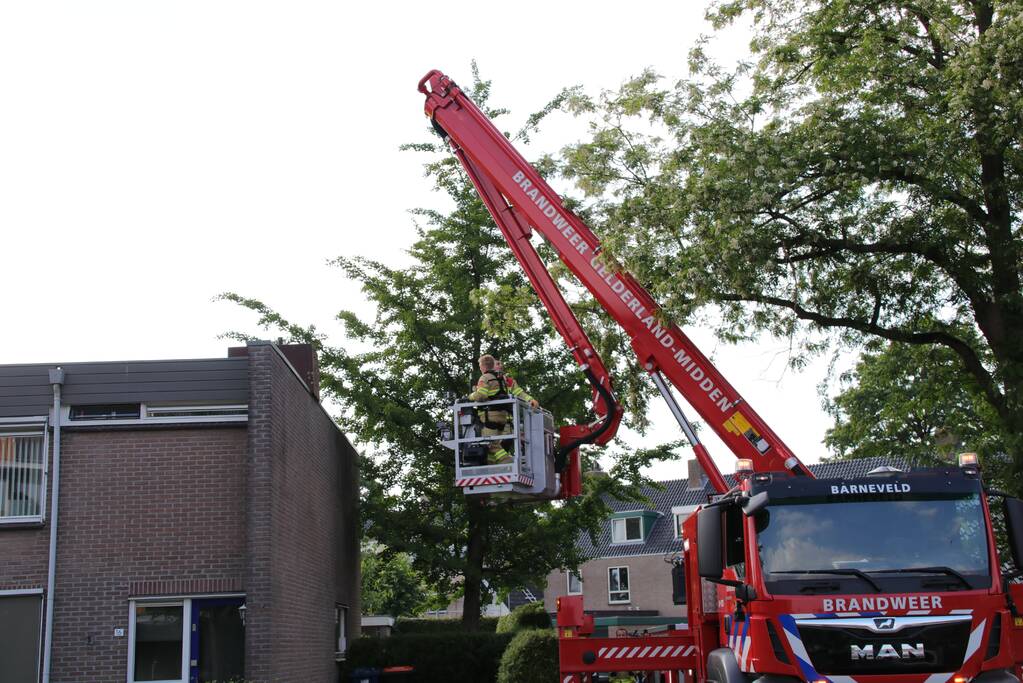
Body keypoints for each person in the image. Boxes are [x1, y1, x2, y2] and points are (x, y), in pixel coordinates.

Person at [468, 354, 538, 465]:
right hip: (502, 420)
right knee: (492, 451)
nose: (500, 366)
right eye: (497, 363)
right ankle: (492, 469)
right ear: (492, 366)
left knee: (492, 445)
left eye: (501, 363)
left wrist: (530, 400)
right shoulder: (500, 381)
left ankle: (509, 464)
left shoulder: (503, 380)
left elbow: (519, 393)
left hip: (502, 422)